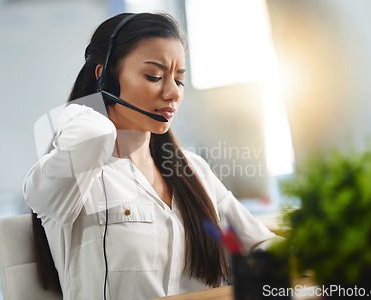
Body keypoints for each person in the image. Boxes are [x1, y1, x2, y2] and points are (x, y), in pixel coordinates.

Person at [23, 12, 277, 300]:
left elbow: (261, 243)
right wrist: (84, 108)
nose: (172, 93)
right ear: (104, 75)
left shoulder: (191, 169)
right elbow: (90, 137)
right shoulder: (71, 175)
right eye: (154, 76)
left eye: (179, 80)